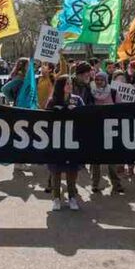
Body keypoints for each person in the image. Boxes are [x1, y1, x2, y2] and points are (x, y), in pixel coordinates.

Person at [46, 75, 84, 211]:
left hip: (73, 140)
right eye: (66, 83)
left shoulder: (77, 99)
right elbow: (45, 119)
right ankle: (56, 198)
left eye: (70, 83)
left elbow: (86, 116)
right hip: (57, 140)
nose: (69, 86)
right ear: (60, 86)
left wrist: (77, 112)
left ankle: (72, 197)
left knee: (72, 171)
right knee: (56, 171)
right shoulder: (52, 101)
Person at [90, 71, 124, 194]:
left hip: (111, 130)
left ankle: (116, 183)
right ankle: (95, 184)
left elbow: (120, 110)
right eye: (97, 79)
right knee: (95, 159)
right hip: (95, 129)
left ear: (106, 81)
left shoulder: (113, 93)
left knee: (112, 158)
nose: (99, 82)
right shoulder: (91, 93)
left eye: (101, 80)